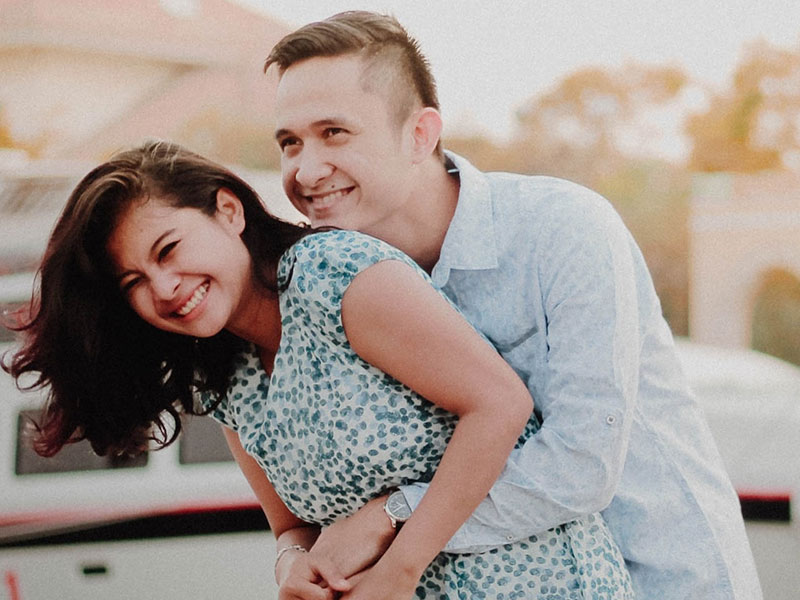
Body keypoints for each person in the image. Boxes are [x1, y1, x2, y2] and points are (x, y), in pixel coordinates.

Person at [262, 10, 763, 600]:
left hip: (661, 578)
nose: (306, 169)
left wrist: (394, 516)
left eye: (334, 133)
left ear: (420, 134)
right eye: (290, 142)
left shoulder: (562, 227)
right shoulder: (330, 287)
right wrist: (293, 555)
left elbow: (582, 463)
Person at [2, 141, 635, 600]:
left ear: (229, 211)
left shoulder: (332, 275)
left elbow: (499, 404)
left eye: (168, 250)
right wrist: (291, 567)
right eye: (134, 282)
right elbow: (293, 526)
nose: (165, 288)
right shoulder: (220, 377)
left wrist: (400, 564)